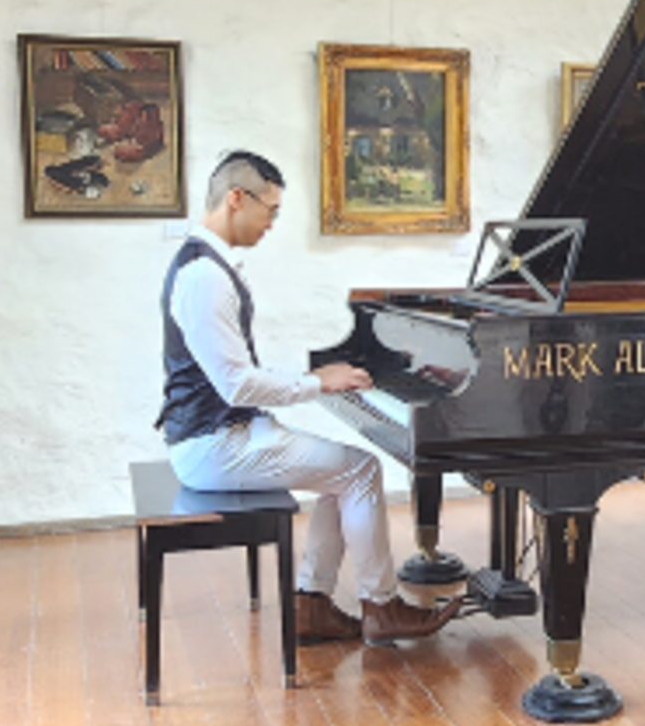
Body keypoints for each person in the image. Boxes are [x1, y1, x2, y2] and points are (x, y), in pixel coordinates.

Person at [158, 149, 463, 645]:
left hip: (220, 432)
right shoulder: (204, 277)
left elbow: (237, 376)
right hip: (213, 443)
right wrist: (319, 382)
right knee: (360, 471)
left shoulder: (206, 265)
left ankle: (312, 603)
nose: (272, 224)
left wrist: (316, 377)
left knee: (343, 472)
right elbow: (237, 385)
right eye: (271, 211)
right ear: (237, 198)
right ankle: (380, 608)